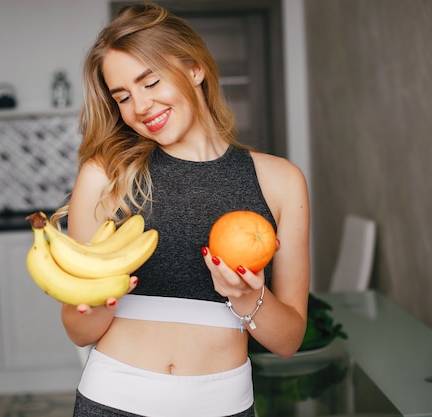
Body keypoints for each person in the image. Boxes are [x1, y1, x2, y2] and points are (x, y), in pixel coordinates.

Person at [52, 3, 310, 416]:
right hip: (112, 400)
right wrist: (102, 299)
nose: (140, 106)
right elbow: (78, 331)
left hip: (224, 406)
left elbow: (287, 341)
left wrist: (248, 297)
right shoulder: (106, 176)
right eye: (123, 97)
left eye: (150, 81)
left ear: (194, 68)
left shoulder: (280, 181)